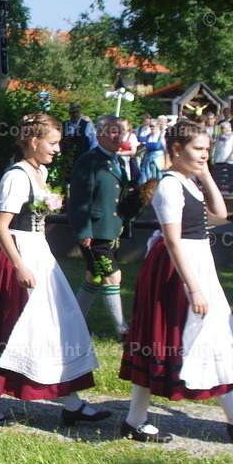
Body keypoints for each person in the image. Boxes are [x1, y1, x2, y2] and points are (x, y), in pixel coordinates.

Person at [120, 120, 233, 443]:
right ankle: (135, 420)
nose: (205, 154)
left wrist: (206, 174)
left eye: (208, 149)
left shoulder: (189, 181)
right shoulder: (169, 185)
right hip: (176, 270)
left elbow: (220, 212)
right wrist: (193, 287)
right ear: (176, 150)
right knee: (162, 340)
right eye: (198, 149)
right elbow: (173, 240)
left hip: (197, 263)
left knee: (216, 334)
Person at [0, 114, 105, 426]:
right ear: (34, 141)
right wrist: (19, 265)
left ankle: (71, 401)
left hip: (38, 252)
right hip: (18, 254)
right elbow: (1, 226)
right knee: (12, 329)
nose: (58, 149)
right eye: (53, 143)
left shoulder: (40, 172)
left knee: (57, 324)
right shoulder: (16, 176)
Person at [70, 115, 131, 338]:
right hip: (95, 232)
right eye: (112, 131)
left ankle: (74, 324)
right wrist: (83, 230)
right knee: (113, 276)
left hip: (111, 229)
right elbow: (79, 198)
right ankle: (122, 329)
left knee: (93, 275)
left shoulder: (117, 160)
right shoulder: (89, 160)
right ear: (99, 134)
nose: (118, 136)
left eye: (120, 131)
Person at [60, 103, 96, 176]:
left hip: (82, 158)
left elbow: (93, 142)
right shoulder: (63, 125)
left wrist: (90, 156)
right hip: (65, 160)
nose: (75, 114)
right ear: (69, 113)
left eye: (77, 112)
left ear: (80, 112)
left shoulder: (87, 125)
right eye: (73, 112)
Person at [138, 115, 167, 182]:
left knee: (158, 177)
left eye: (153, 126)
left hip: (159, 160)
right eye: (150, 126)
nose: (151, 128)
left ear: (157, 126)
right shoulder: (148, 136)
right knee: (147, 176)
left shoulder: (161, 136)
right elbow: (146, 150)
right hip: (148, 159)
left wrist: (166, 163)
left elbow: (166, 151)